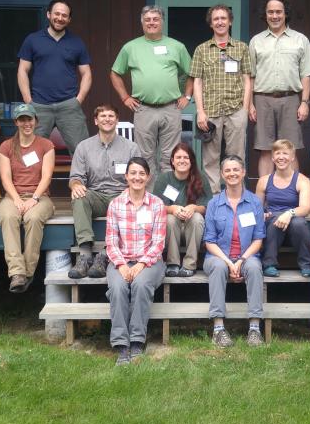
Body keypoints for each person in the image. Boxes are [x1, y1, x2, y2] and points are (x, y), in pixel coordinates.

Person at [111, 5, 193, 175]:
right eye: (147, 19)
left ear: (162, 22)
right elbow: (115, 73)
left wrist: (187, 95)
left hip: (171, 108)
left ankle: (167, 198)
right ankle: (148, 198)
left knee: (170, 156)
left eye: (155, 19)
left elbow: (191, 73)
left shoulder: (176, 46)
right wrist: (125, 98)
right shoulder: (130, 47)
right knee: (144, 156)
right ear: (142, 23)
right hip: (144, 108)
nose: (151, 22)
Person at [248, 0, 310, 176]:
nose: (274, 16)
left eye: (278, 12)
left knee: (290, 149)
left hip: (291, 100)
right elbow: (249, 76)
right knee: (265, 149)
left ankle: (292, 195)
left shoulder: (300, 40)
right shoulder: (256, 41)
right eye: (270, 12)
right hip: (262, 99)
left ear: (285, 14)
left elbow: (306, 75)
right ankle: (263, 197)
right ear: (265, 15)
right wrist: (249, 104)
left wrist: (304, 102)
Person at [68, 104, 142, 279]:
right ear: (96, 121)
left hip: (122, 194)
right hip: (96, 195)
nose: (107, 119)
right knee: (79, 197)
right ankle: (85, 253)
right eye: (103, 116)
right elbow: (75, 176)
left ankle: (105, 254)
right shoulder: (84, 147)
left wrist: (130, 190)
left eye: (111, 116)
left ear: (117, 120)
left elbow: (139, 176)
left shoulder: (131, 148)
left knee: (128, 201)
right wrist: (76, 185)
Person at [105, 157, 167, 365]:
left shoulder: (157, 205)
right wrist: (121, 265)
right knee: (117, 287)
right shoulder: (115, 205)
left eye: (141, 173)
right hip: (121, 260)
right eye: (133, 173)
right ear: (126, 176)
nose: (137, 177)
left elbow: (158, 243)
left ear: (148, 177)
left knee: (140, 285)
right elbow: (111, 242)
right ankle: (121, 344)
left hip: (150, 262)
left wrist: (141, 264)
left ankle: (137, 341)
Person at [203, 155, 266, 348]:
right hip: (217, 256)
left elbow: (258, 239)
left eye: (236, 170)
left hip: (247, 256)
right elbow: (209, 241)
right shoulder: (214, 203)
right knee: (219, 267)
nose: (232, 174)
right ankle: (218, 329)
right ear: (222, 175)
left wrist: (241, 260)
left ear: (243, 172)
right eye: (228, 170)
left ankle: (254, 329)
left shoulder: (254, 202)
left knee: (255, 268)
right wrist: (229, 262)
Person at [190, 4, 253, 193]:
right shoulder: (202, 50)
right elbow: (197, 82)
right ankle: (214, 198)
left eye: (223, 18)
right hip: (210, 110)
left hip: (235, 110)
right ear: (211, 24)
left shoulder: (242, 48)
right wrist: (200, 112)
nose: (220, 22)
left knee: (236, 156)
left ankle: (237, 195)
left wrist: (245, 108)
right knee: (210, 159)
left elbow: (247, 80)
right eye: (216, 19)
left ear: (230, 21)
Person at [17, 0, 92, 153]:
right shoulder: (33, 40)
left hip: (69, 106)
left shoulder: (76, 42)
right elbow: (22, 70)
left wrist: (79, 100)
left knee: (82, 152)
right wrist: (28, 100)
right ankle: (34, 179)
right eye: (56, 14)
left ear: (69, 19)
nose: (60, 18)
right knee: (31, 152)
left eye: (64, 15)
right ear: (48, 14)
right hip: (39, 106)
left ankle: (80, 179)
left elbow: (87, 73)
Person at [0, 103, 56, 293]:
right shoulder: (6, 146)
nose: (26, 123)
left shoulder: (46, 145)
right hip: (13, 196)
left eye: (29, 119)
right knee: (8, 217)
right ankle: (17, 273)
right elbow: (5, 177)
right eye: (22, 119)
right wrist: (16, 199)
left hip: (40, 196)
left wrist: (34, 199)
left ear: (36, 121)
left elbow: (47, 176)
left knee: (33, 217)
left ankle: (28, 272)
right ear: (16, 122)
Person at [151, 142, 212, 277]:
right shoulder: (164, 179)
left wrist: (194, 207)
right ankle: (172, 263)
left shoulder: (200, 178)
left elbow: (208, 206)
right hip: (172, 230)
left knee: (196, 217)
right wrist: (172, 209)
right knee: (170, 218)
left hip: (194, 230)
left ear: (191, 161)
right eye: (178, 157)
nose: (182, 161)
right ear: (172, 161)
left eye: (186, 157)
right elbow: (155, 206)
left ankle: (189, 264)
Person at [255, 139, 310, 278]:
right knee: (274, 220)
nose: (281, 157)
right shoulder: (264, 180)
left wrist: (289, 213)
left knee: (299, 222)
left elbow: (305, 208)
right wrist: (262, 214)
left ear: (292, 157)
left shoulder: (302, 180)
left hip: (295, 227)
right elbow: (257, 207)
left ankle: (306, 265)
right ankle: (269, 264)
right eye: (278, 153)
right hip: (272, 229)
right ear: (273, 157)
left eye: (285, 153)